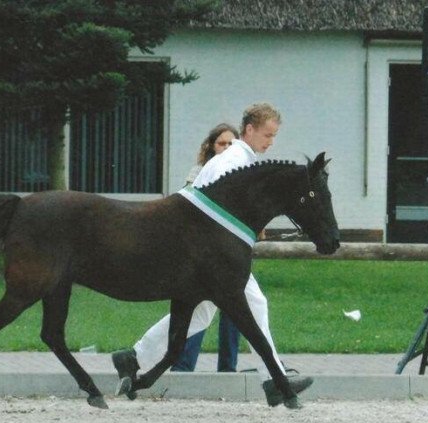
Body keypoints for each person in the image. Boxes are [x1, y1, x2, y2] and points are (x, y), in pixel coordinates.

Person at [113, 103, 313, 406]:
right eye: (267, 135)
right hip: (212, 255)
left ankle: (133, 357)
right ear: (249, 129)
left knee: (202, 314)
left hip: (210, 253)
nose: (270, 142)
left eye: (273, 136)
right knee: (255, 304)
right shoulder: (232, 160)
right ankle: (273, 380)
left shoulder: (237, 159)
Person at [172, 123, 242, 373]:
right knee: (197, 309)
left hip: (231, 253)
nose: (225, 148)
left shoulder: (240, 173)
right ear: (211, 146)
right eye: (221, 143)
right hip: (203, 253)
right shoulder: (199, 172)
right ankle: (183, 366)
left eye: (230, 144)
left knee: (234, 312)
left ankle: (228, 368)